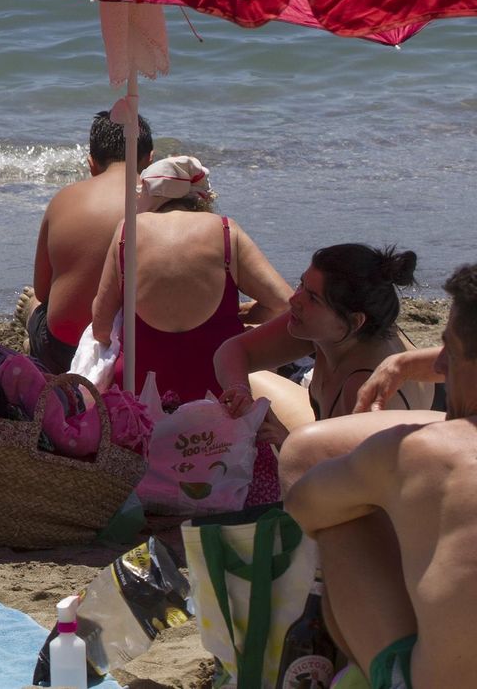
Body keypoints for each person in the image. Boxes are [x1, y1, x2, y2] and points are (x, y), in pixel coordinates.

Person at [285, 265, 477, 689]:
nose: (441, 365)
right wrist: (409, 361)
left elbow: (304, 503)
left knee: (335, 510)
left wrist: (387, 488)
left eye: (448, 349)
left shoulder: (418, 451)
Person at [91, 155, 290, 403]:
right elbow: (284, 305)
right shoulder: (227, 231)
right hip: (218, 394)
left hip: (140, 395)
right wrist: (244, 316)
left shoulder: (127, 231)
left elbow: (101, 329)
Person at [216, 244, 434, 446]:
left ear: (355, 320)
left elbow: (358, 483)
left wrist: (287, 442)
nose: (294, 299)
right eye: (301, 284)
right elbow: (233, 350)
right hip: (334, 446)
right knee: (245, 381)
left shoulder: (363, 390)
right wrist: (239, 390)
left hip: (380, 473)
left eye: (312, 298)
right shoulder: (336, 328)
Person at [22, 110, 153, 373]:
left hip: (63, 351)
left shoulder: (63, 199)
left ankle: (30, 320)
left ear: (91, 163)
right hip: (139, 353)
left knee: (38, 303)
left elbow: (43, 288)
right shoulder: (160, 203)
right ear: (149, 160)